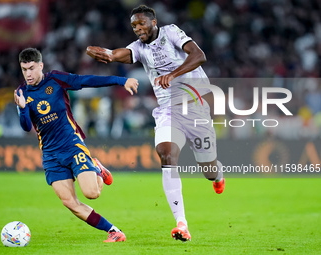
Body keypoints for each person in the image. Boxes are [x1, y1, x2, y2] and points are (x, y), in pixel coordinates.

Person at [86, 5, 225, 242]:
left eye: (141, 24)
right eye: (133, 26)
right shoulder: (139, 48)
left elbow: (199, 55)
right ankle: (182, 224)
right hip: (168, 110)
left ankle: (218, 175)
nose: (138, 29)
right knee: (166, 153)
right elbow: (122, 54)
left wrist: (173, 75)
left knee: (209, 169)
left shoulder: (171, 32)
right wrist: (108, 54)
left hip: (195, 105)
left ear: (153, 22)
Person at [14, 48, 139, 243]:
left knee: (92, 193)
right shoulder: (21, 92)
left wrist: (121, 81)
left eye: (31, 68)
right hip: (50, 154)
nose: (28, 74)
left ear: (40, 65)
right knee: (69, 202)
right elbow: (26, 126)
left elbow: (86, 80)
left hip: (72, 145)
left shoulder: (55, 79)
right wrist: (23, 109)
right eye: (24, 70)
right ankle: (114, 231)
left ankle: (96, 168)